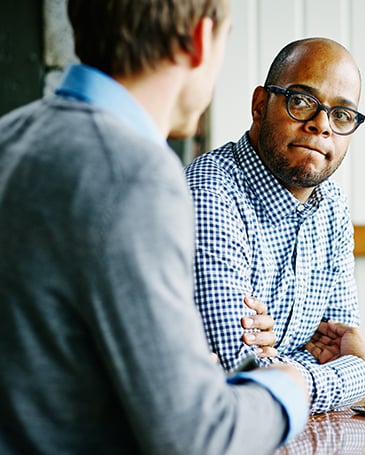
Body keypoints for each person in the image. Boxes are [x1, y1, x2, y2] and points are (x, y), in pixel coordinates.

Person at [0, 1, 309, 453]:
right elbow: (197, 438)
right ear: (201, 39)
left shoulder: (10, 135)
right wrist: (288, 389)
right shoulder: (134, 173)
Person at [185, 37, 365, 414]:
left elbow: (336, 345)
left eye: (341, 115)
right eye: (302, 101)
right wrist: (360, 372)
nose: (321, 125)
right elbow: (242, 376)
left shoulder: (332, 205)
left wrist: (286, 369)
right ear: (260, 105)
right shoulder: (210, 193)